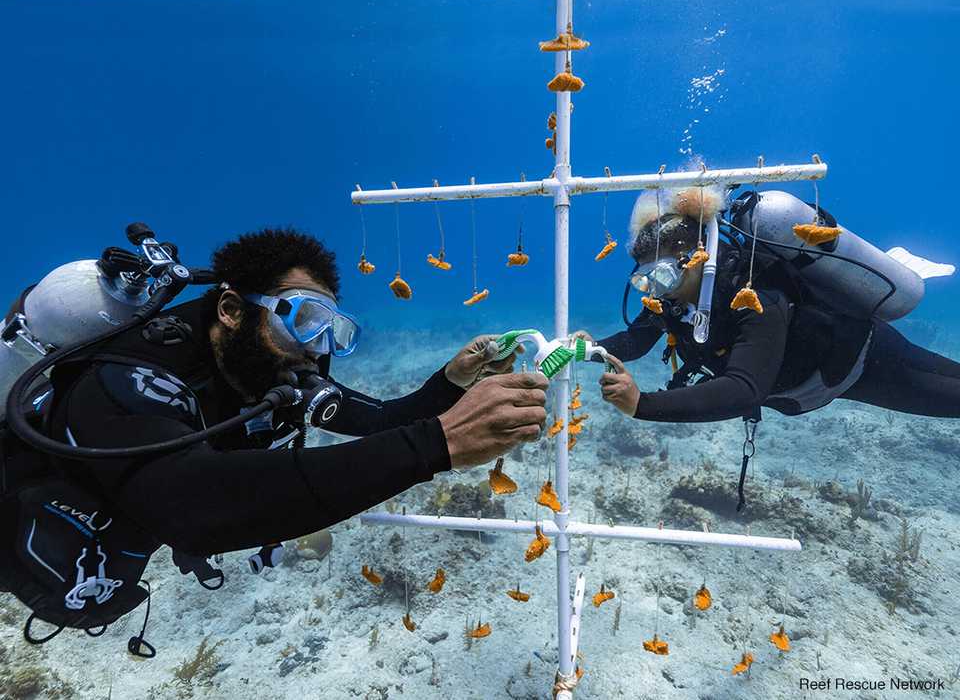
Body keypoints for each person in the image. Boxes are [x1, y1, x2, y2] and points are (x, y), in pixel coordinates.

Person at [1, 227, 547, 645]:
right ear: (232, 309)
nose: (315, 349)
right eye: (305, 320)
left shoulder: (270, 373)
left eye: (331, 330)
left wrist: (449, 382)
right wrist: (438, 444)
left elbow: (381, 422)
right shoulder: (124, 380)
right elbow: (191, 507)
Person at [575, 185, 960, 423]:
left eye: (661, 275)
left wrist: (642, 404)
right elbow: (638, 339)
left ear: (697, 257)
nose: (656, 290)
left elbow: (745, 389)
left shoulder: (752, 289)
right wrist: (588, 349)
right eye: (645, 280)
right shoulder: (674, 301)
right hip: (813, 383)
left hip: (861, 360)